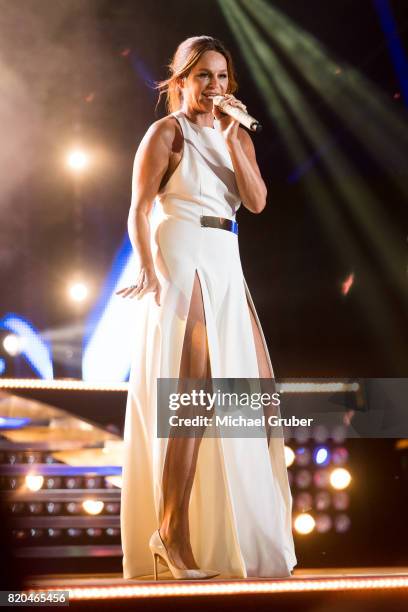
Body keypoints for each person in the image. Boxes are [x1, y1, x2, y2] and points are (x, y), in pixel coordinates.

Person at [118, 35, 297, 580]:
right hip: (183, 251)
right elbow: (138, 207)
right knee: (192, 394)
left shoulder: (232, 134)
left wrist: (234, 137)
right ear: (181, 81)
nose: (214, 87)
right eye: (204, 77)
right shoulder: (165, 132)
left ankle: (240, 533)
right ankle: (171, 531)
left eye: (222, 78)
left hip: (225, 256)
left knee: (251, 396)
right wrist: (147, 264)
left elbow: (259, 202)